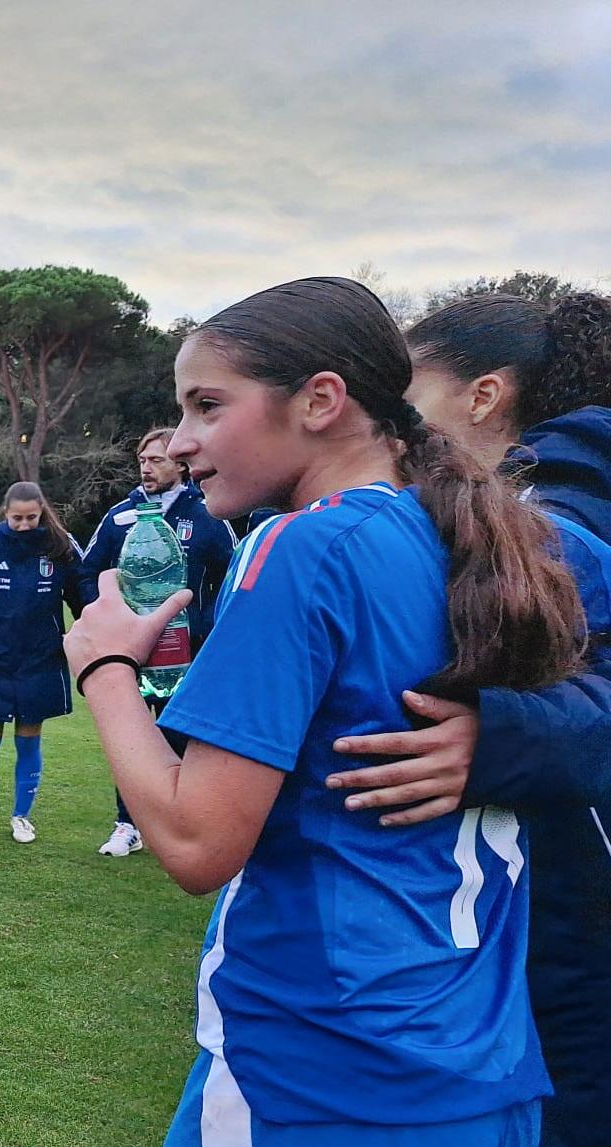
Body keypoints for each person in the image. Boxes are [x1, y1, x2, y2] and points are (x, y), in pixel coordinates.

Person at [66, 276, 585, 1145]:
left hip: (320, 1065)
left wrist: (106, 665)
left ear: (320, 401)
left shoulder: (302, 543)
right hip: (478, 1065)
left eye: (207, 405)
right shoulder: (479, 537)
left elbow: (199, 841)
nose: (183, 442)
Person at [326, 290, 611, 1147]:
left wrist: (504, 733)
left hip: (572, 936)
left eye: (405, 388)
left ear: (482, 395)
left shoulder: (560, 522)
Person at [78, 428, 236, 858]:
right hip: (132, 655)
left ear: (180, 465)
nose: (147, 467)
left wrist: (207, 631)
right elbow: (86, 573)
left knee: (186, 737)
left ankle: (189, 826)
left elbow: (232, 580)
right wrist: (105, 622)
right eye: (142, 460)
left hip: (189, 656)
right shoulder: (119, 517)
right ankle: (126, 825)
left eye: (157, 459)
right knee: (133, 738)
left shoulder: (208, 515)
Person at [0, 481, 84, 844]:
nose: (24, 525)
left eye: (31, 517)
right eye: (16, 518)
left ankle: (21, 817)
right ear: (5, 514)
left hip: (40, 659)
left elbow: (83, 595)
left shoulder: (61, 545)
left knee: (29, 740)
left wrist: (79, 636)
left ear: (41, 511)